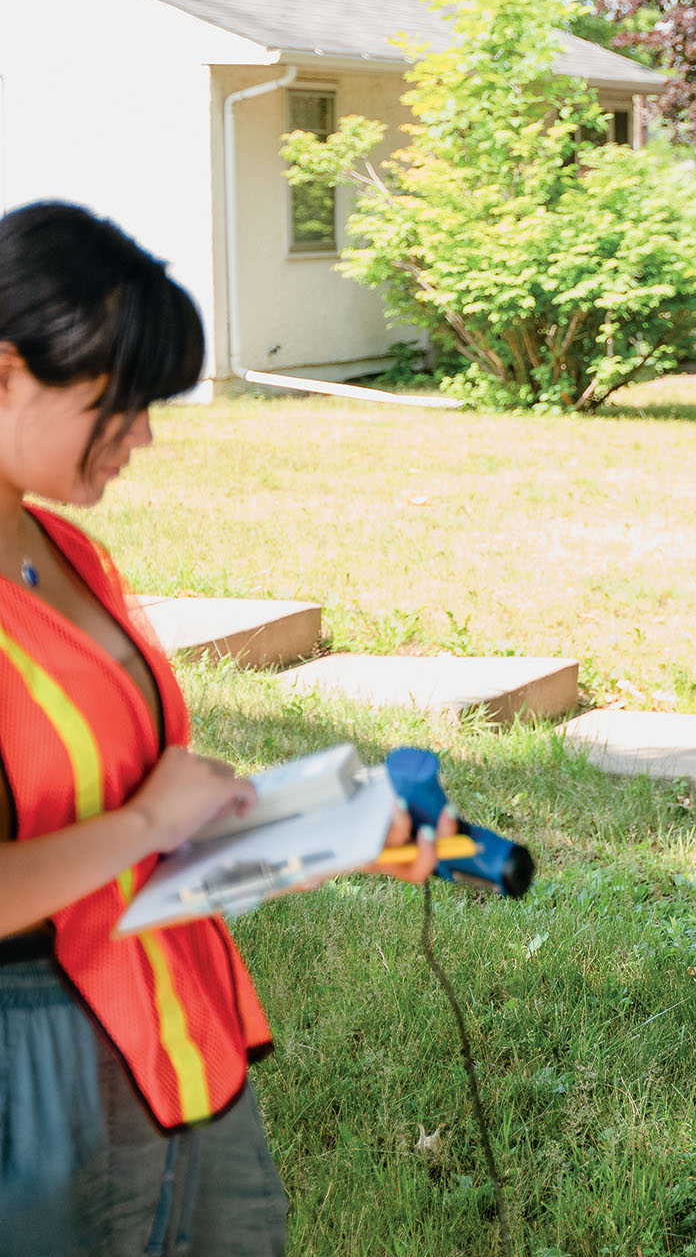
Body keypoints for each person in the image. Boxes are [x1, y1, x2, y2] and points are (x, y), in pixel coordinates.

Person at [0, 201, 449, 1254]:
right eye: (118, 403)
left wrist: (273, 829)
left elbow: (110, 798)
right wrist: (149, 821)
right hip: (34, 1089)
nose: (143, 436)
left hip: (167, 1039)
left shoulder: (69, 554)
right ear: (5, 371)